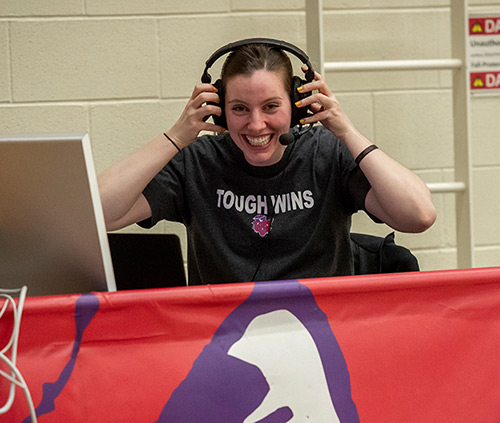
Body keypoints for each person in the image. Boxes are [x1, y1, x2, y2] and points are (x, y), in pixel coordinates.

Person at [98, 39, 436, 285]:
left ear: (298, 105)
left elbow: (419, 215)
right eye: (240, 109)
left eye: (271, 107)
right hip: (227, 343)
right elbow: (95, 215)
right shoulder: (197, 163)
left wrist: (346, 130)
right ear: (218, 109)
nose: (256, 124)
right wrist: (175, 137)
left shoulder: (326, 153)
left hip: (320, 336)